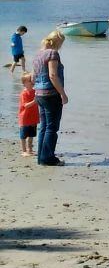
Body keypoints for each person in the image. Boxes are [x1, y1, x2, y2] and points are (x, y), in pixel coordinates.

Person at [31, 30, 67, 167]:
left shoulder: (38, 54)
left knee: (44, 127)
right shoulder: (53, 54)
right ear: (58, 42)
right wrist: (63, 94)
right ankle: (48, 158)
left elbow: (33, 77)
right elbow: (53, 75)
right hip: (51, 94)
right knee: (52, 128)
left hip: (39, 94)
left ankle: (41, 157)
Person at [18, 72, 38, 157]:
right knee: (23, 135)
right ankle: (24, 150)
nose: (33, 81)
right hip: (25, 118)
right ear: (25, 83)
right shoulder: (24, 93)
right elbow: (25, 105)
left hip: (33, 117)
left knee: (31, 135)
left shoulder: (35, 92)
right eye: (30, 80)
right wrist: (34, 101)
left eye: (33, 80)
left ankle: (30, 149)